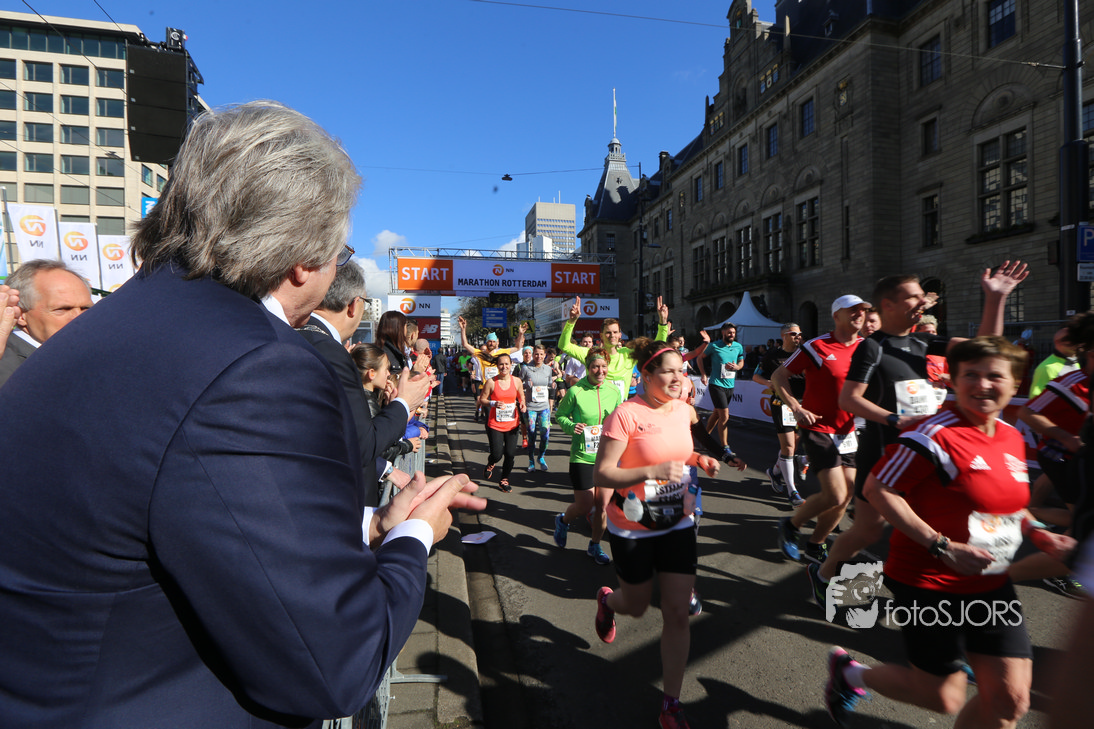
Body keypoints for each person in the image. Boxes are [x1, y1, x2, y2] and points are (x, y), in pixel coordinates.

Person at [0, 101, 488, 727]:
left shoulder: (108, 327)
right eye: (338, 249)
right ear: (303, 257)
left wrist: (369, 523)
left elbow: (176, 509)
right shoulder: (256, 364)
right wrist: (411, 536)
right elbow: (335, 664)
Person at [825, 336, 1074, 729]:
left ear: (1015, 383)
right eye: (970, 375)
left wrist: (1040, 534)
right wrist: (941, 545)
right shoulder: (933, 434)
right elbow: (877, 489)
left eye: (995, 376)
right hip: (927, 580)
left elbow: (1006, 505)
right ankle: (849, 674)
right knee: (943, 697)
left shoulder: (1009, 435)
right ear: (954, 382)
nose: (982, 384)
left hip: (989, 581)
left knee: (1010, 702)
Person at [809, 263, 1028, 607]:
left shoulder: (923, 341)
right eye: (914, 297)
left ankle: (933, 590)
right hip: (882, 453)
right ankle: (823, 574)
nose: (923, 302)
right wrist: (896, 419)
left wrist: (995, 299)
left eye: (923, 297)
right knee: (868, 531)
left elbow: (985, 350)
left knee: (930, 522)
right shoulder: (872, 347)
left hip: (923, 454)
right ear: (889, 305)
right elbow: (848, 399)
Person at [591, 339, 722, 729]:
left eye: (681, 370)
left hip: (677, 521)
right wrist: (651, 471)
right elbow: (603, 473)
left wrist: (701, 458)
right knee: (635, 605)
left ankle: (671, 704)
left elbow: (679, 453)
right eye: (668, 371)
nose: (678, 378)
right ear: (646, 375)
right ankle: (608, 601)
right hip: (633, 526)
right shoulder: (626, 415)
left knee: (678, 612)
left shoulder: (682, 410)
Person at [297, 260, 428, 506]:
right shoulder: (331, 352)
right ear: (354, 305)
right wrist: (403, 402)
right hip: (336, 501)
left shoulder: (300, 335)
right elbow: (364, 443)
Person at [772, 295, 869, 563]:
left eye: (862, 310)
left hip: (848, 430)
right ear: (837, 316)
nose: (859, 314)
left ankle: (816, 543)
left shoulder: (867, 348)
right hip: (818, 426)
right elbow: (778, 376)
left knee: (846, 495)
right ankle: (791, 525)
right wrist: (795, 407)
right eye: (852, 310)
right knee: (835, 493)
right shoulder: (817, 346)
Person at [553, 347, 623, 564]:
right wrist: (571, 426)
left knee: (602, 505)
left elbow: (621, 419)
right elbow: (560, 415)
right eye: (595, 367)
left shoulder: (614, 391)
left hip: (607, 457)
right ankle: (563, 521)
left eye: (604, 366)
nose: (600, 371)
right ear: (588, 367)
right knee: (584, 505)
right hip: (582, 456)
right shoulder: (576, 391)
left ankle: (595, 545)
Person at [558, 294, 670, 404]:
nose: (612, 335)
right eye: (608, 332)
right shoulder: (591, 354)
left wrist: (663, 322)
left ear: (620, 335)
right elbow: (564, 346)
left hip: (620, 409)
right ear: (601, 335)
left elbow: (655, 350)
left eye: (615, 332)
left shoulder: (628, 354)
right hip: (597, 409)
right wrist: (571, 321)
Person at [0, 259, 93, 387]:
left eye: (86, 308)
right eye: (63, 309)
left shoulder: (94, 356)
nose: (79, 318)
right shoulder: (6, 367)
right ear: (21, 314)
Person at [752, 322, 806, 506]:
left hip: (803, 404)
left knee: (793, 446)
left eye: (799, 334)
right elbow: (756, 375)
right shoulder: (772, 355)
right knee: (789, 447)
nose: (797, 337)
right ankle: (792, 491)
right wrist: (768, 383)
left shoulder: (805, 353)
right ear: (783, 336)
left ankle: (775, 472)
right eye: (793, 334)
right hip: (781, 404)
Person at [458, 316, 526, 420]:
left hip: (499, 387)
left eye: (493, 341)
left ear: (496, 343)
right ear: (486, 342)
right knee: (489, 416)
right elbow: (465, 344)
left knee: (501, 414)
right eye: (490, 341)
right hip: (486, 388)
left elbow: (517, 347)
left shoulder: (501, 352)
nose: (491, 343)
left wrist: (521, 334)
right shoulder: (480, 354)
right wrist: (463, 329)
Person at [479, 351, 526, 493]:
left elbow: (521, 396)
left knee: (510, 454)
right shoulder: (491, 382)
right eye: (501, 364)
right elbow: (482, 399)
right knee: (497, 454)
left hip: (512, 424)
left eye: (506, 364)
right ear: (497, 366)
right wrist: (493, 403)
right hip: (495, 424)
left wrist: (522, 404)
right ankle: (491, 463)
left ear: (511, 365)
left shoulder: (516, 381)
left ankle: (504, 480)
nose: (504, 367)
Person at [703, 321, 745, 453]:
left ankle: (704, 437)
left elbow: (741, 361)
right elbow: (699, 358)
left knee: (717, 413)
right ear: (723, 333)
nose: (732, 334)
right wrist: (703, 374)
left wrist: (737, 367)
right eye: (729, 332)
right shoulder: (714, 346)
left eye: (733, 332)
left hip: (730, 385)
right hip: (716, 384)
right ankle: (725, 446)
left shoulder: (738, 346)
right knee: (725, 416)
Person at [520, 343, 555, 472]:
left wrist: (553, 386)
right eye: (536, 354)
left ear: (544, 355)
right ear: (533, 355)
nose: (538, 357)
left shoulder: (548, 369)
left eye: (541, 354)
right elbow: (518, 384)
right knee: (532, 434)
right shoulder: (526, 368)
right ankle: (531, 461)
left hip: (544, 407)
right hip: (531, 407)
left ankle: (541, 457)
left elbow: (550, 383)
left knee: (545, 435)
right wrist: (525, 385)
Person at [1028, 326, 1079, 398]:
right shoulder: (1047, 368)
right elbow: (1035, 398)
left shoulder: (1075, 362)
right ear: (1057, 342)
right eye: (1069, 339)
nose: (1075, 342)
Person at [377, 309, 412, 376]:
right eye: (405, 326)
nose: (406, 330)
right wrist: (417, 371)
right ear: (399, 328)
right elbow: (397, 380)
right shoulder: (384, 354)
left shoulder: (397, 352)